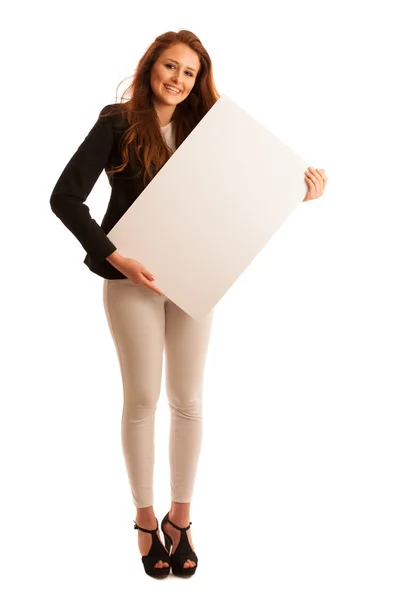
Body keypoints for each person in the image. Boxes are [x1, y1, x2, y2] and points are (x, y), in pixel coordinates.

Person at [49, 29, 328, 579]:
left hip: (196, 279)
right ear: (151, 66)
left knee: (188, 399)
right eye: (170, 67)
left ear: (199, 81)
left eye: (189, 73)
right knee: (142, 398)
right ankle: (146, 519)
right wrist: (116, 256)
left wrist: (300, 192)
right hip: (132, 281)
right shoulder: (117, 121)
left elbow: (241, 193)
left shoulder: (210, 131)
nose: (177, 80)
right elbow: (64, 197)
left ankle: (181, 519)